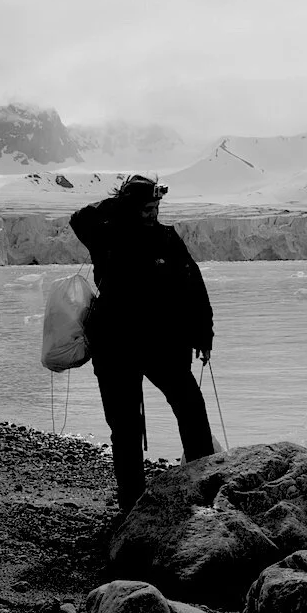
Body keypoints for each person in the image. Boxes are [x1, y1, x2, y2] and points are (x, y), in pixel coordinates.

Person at [70, 174, 216, 513]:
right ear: (129, 207)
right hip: (115, 347)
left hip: (163, 344)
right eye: (146, 208)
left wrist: (202, 334)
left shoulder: (166, 238)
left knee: (191, 408)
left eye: (156, 208)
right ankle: (131, 505)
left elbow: (193, 285)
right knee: (126, 428)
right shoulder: (107, 234)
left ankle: (204, 485)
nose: (153, 214)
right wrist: (120, 203)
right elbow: (79, 218)